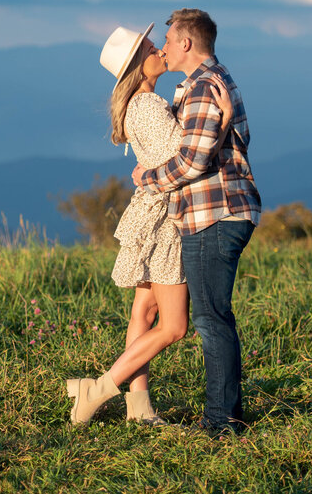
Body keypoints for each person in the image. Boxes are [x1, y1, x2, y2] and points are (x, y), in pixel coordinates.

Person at [65, 23, 232, 426]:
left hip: (152, 211)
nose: (160, 50)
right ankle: (99, 389)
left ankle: (139, 408)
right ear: (140, 66)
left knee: (144, 310)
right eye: (151, 48)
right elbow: (190, 160)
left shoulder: (145, 104)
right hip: (167, 216)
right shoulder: (149, 107)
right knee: (173, 326)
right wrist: (223, 121)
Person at [131, 8, 261, 434]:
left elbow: (190, 161)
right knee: (212, 316)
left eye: (168, 41)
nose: (164, 49)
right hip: (218, 211)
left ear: (186, 43)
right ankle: (224, 415)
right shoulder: (203, 85)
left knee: (210, 320)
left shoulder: (205, 87)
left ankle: (221, 422)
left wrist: (146, 178)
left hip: (213, 212)